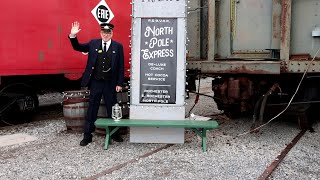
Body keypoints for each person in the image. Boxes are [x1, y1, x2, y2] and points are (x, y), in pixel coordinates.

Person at [68, 21, 124, 146]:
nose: (106, 35)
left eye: (108, 32)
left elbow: (121, 66)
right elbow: (78, 47)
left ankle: (115, 134)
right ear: (100, 33)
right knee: (92, 109)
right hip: (96, 82)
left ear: (112, 33)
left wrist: (119, 83)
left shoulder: (118, 46)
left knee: (112, 109)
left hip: (110, 83)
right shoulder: (93, 43)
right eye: (104, 32)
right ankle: (87, 136)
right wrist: (73, 36)